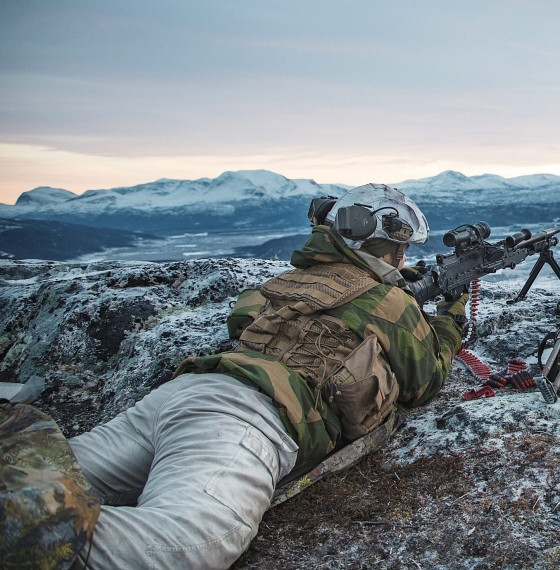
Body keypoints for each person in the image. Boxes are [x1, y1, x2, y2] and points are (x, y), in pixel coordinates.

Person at [62, 183, 466, 569]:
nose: (404, 259)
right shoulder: (390, 303)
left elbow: (240, 319)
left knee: (49, 476)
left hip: (184, 392)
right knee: (185, 545)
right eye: (401, 250)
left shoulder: (287, 281)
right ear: (387, 249)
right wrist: (450, 321)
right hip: (248, 417)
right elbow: (424, 384)